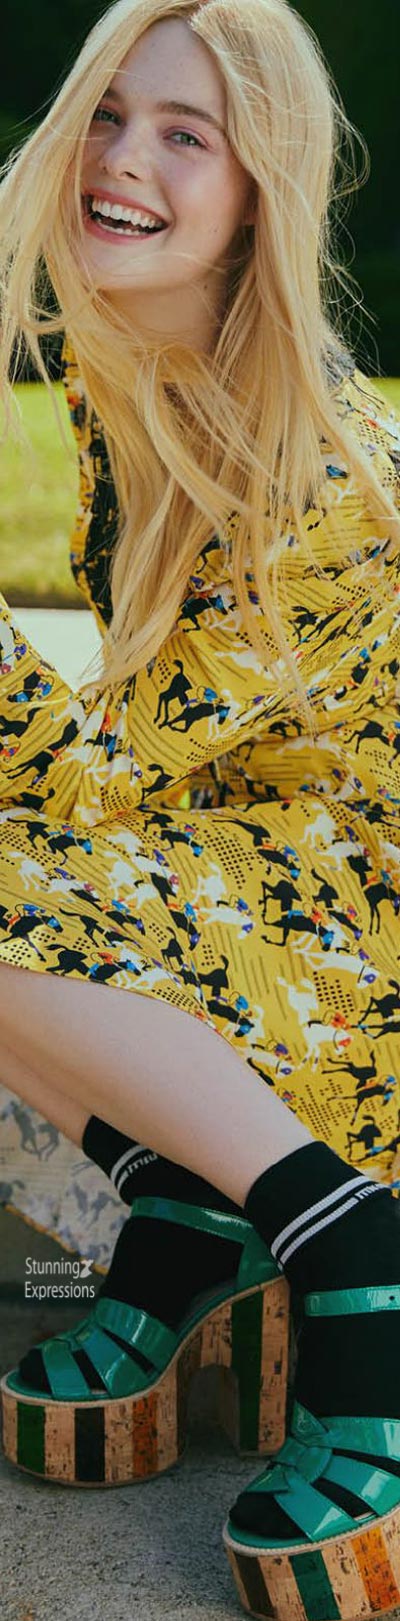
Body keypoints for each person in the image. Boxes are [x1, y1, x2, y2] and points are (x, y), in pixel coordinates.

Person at [0, 1, 399, 1615]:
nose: (123, 160)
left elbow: (85, 794)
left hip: (365, 953)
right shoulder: (129, 400)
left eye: (186, 134)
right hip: (256, 897)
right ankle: (183, 1200)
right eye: (106, 115)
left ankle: (349, 1238)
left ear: (260, 193)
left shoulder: (311, 460)